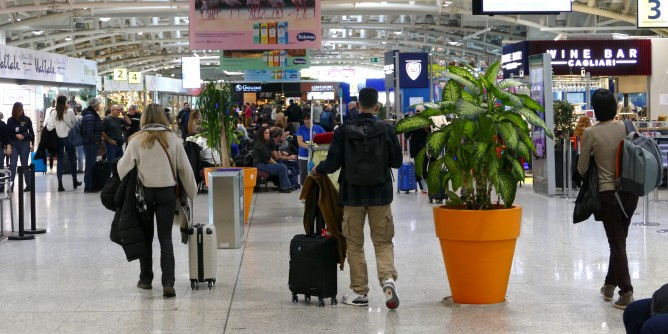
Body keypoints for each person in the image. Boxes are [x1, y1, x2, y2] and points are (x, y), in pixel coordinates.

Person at [312, 87, 403, 309]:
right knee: (382, 242)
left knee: (354, 244)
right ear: (377, 107)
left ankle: (360, 292)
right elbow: (397, 162)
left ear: (357, 105)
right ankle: (387, 280)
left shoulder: (342, 131)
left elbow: (332, 163)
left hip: (352, 195)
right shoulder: (386, 129)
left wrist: (318, 170)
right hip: (380, 195)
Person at [117, 103, 197, 298]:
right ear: (163, 117)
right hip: (167, 193)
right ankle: (168, 282)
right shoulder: (174, 140)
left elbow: (122, 169)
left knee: (146, 236)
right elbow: (185, 169)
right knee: (165, 237)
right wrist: (192, 192)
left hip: (143, 194)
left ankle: (146, 279)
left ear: (144, 118)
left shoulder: (136, 140)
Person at [577, 88, 639, 310]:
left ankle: (626, 292)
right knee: (620, 240)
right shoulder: (627, 126)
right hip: (631, 192)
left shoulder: (591, 133)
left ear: (595, 109)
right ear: (614, 107)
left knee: (617, 243)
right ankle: (609, 286)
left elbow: (582, 168)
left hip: (608, 194)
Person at [46, 96, 80, 192]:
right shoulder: (70, 111)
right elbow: (74, 123)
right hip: (69, 138)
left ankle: (60, 184)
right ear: (65, 103)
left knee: (60, 161)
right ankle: (74, 180)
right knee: (72, 159)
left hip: (58, 139)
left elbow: (50, 126)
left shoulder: (53, 113)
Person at [252, 126, 293, 193]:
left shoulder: (264, 143)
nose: (268, 135)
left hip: (263, 164)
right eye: (266, 133)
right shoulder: (260, 145)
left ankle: (288, 186)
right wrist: (277, 165)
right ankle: (284, 187)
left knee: (282, 165)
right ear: (261, 134)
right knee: (282, 167)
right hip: (259, 165)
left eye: (268, 133)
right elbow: (268, 159)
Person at [7, 102, 35, 192]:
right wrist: (16, 136)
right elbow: (8, 134)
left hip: (24, 144)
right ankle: (10, 186)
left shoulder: (27, 119)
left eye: (22, 109)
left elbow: (31, 132)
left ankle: (29, 185)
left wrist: (32, 143)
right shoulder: (10, 120)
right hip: (14, 144)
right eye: (19, 109)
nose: (21, 111)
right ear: (15, 110)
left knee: (24, 164)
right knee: (13, 164)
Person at [404, 105, 429, 193]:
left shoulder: (412, 121)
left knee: (418, 166)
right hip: (424, 147)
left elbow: (406, 135)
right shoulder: (426, 121)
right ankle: (424, 186)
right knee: (424, 166)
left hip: (416, 148)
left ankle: (423, 186)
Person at [296, 113, 325, 185]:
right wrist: (308, 147)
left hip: (316, 154)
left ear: (311, 119)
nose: (306, 121)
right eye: (304, 119)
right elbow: (300, 142)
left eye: (308, 119)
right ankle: (303, 186)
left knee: (315, 171)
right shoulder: (300, 129)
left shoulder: (319, 128)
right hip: (303, 154)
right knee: (303, 172)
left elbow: (325, 138)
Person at [81, 97, 102, 193]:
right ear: (94, 105)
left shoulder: (91, 115)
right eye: (98, 105)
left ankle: (90, 184)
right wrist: (96, 141)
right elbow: (89, 131)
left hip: (90, 143)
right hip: (90, 144)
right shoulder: (90, 116)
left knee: (91, 164)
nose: (99, 106)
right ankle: (88, 186)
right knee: (90, 164)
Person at [74, 104, 85, 173]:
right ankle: (81, 168)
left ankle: (77, 168)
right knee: (81, 154)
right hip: (82, 137)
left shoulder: (74, 117)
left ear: (75, 109)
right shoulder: (83, 117)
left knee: (75, 154)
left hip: (75, 137)